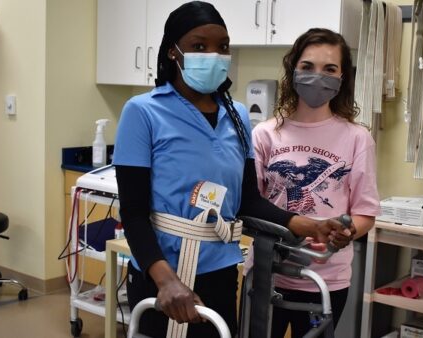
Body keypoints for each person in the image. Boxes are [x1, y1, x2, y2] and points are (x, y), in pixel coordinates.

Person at [112, 3, 352, 337]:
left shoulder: (237, 114)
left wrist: (311, 226)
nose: (213, 54)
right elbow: (134, 213)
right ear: (173, 52)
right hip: (163, 274)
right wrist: (166, 281)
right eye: (199, 46)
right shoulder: (143, 112)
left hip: (221, 270)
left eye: (222, 46)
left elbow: (248, 201)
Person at [248, 28, 381, 337]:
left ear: (343, 77)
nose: (317, 77)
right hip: (269, 273)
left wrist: (346, 232)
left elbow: (365, 212)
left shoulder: (357, 138)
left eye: (329, 69)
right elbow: (251, 204)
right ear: (293, 69)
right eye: (307, 67)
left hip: (326, 280)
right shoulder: (265, 135)